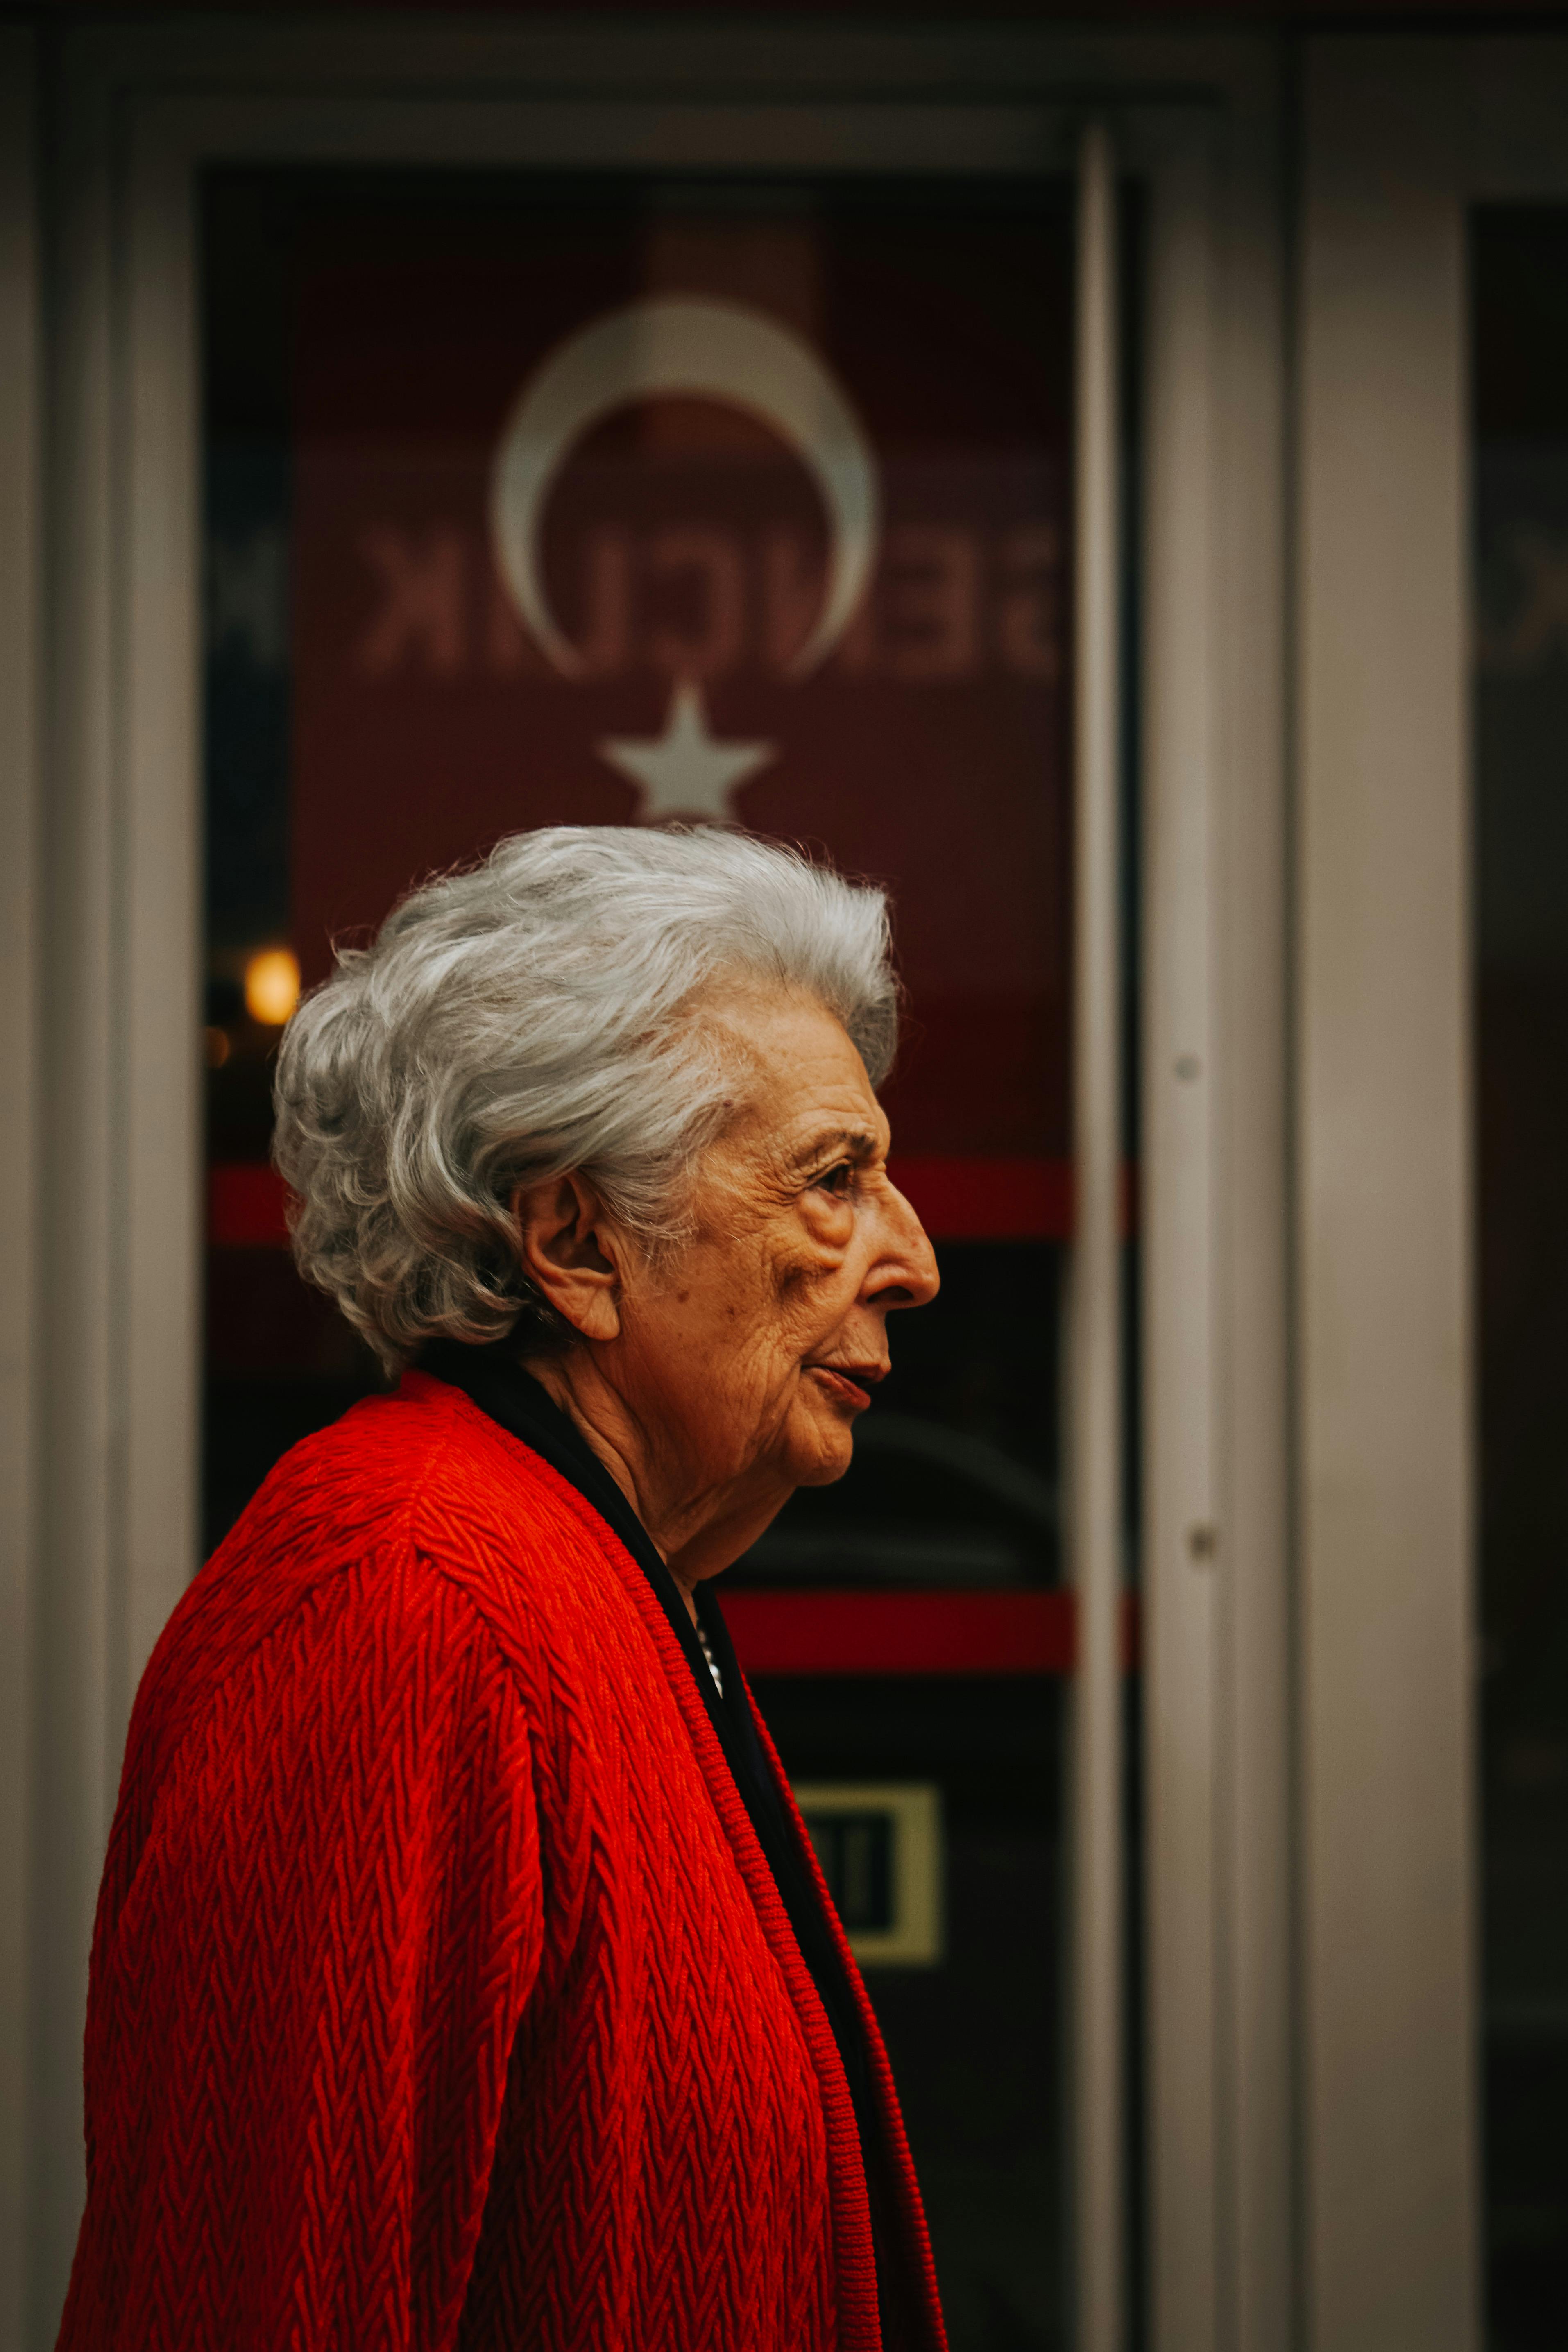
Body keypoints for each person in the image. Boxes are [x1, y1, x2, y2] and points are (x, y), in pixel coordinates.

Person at [57, 825, 946, 2352]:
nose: (912, 1258)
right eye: (833, 1179)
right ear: (574, 1239)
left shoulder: (591, 1582)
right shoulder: (405, 1602)